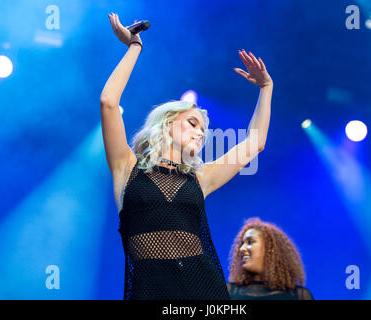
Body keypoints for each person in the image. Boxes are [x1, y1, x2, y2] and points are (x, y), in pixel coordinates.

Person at [100, 13, 273, 300]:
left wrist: (266, 88)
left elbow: (255, 143)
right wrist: (134, 47)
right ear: (166, 123)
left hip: (204, 289)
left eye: (204, 130)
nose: (201, 133)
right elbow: (108, 102)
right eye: (193, 123)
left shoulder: (200, 178)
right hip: (150, 291)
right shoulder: (126, 167)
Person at [228, 217, 314, 300]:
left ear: (270, 248)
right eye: (242, 243)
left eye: (250, 242)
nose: (241, 249)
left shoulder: (300, 295)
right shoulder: (228, 292)